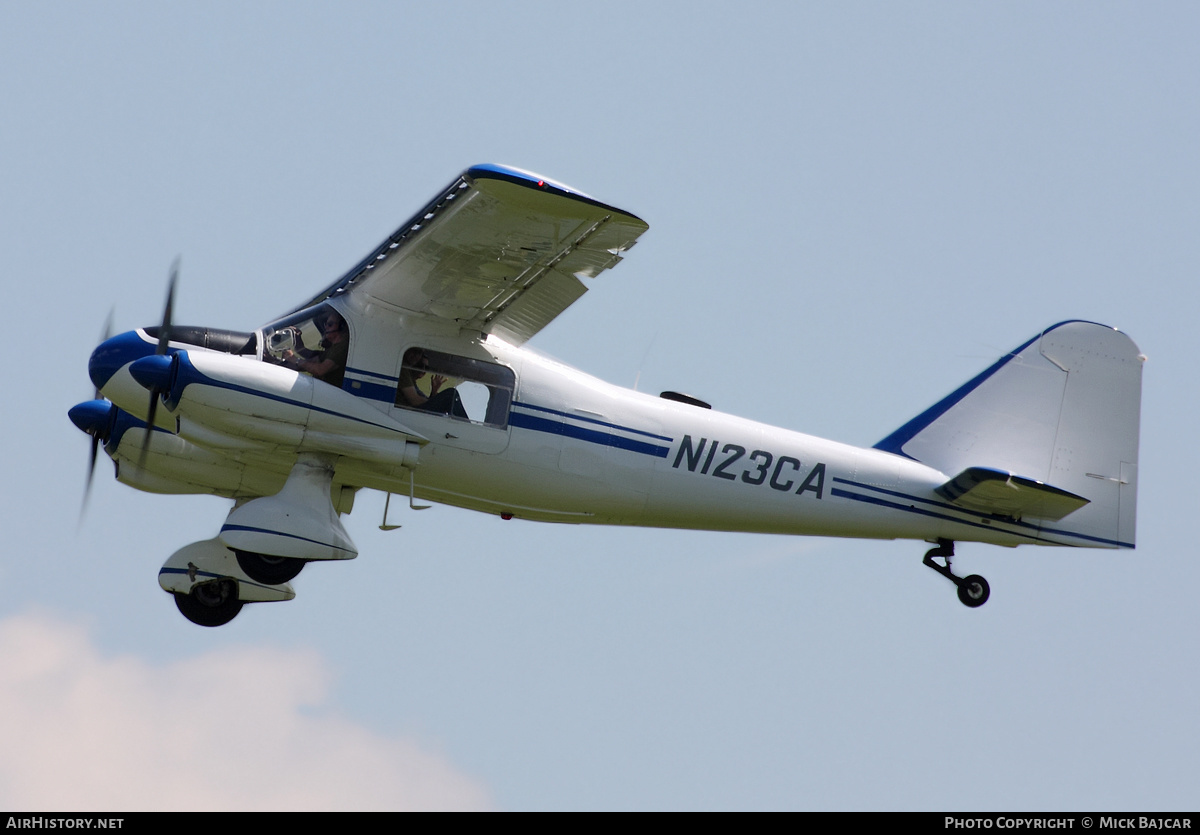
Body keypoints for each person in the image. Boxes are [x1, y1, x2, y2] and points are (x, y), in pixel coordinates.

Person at [285, 310, 349, 388]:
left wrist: (294, 359)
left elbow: (320, 370)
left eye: (330, 324)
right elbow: (308, 359)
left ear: (341, 326)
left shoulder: (341, 349)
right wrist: (273, 361)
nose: (326, 327)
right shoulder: (332, 349)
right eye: (326, 324)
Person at [397, 347, 467, 418]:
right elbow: (415, 400)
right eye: (420, 366)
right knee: (451, 394)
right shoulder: (403, 369)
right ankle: (467, 427)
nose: (423, 370)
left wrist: (434, 393)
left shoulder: (412, 382)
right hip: (407, 415)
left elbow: (422, 403)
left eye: (426, 368)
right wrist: (438, 401)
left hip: (412, 414)